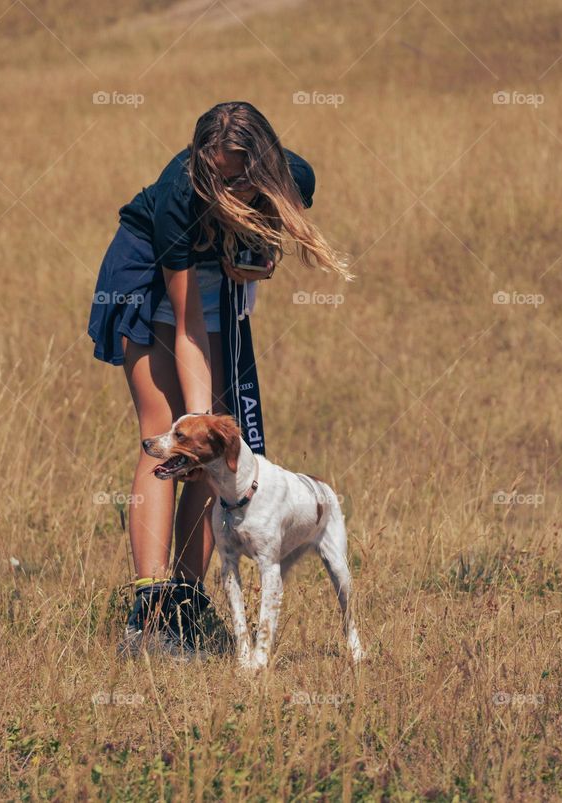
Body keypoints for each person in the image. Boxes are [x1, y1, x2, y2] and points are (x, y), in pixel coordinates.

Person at [87, 100, 351, 657]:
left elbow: (270, 233)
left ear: (265, 166)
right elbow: (187, 327)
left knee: (216, 456)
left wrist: (260, 251)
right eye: (218, 176)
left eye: (240, 178)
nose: (228, 189)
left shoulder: (292, 176)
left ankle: (187, 602)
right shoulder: (180, 194)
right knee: (169, 429)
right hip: (154, 281)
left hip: (219, 297)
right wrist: (198, 423)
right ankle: (150, 610)